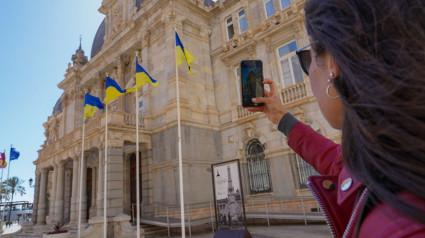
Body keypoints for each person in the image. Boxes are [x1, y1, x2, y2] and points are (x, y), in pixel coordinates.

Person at [248, 0, 425, 237]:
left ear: (332, 62)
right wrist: (282, 119)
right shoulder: (396, 155)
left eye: (306, 59)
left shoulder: (395, 228)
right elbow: (343, 165)